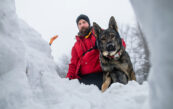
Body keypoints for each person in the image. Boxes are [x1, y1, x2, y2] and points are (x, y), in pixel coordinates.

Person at [66, 14, 126, 89]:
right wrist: (69, 79)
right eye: (79, 24)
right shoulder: (76, 46)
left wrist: (108, 46)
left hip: (102, 73)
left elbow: (120, 42)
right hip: (84, 78)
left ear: (88, 23)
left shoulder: (100, 34)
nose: (82, 25)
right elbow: (73, 64)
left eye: (84, 22)